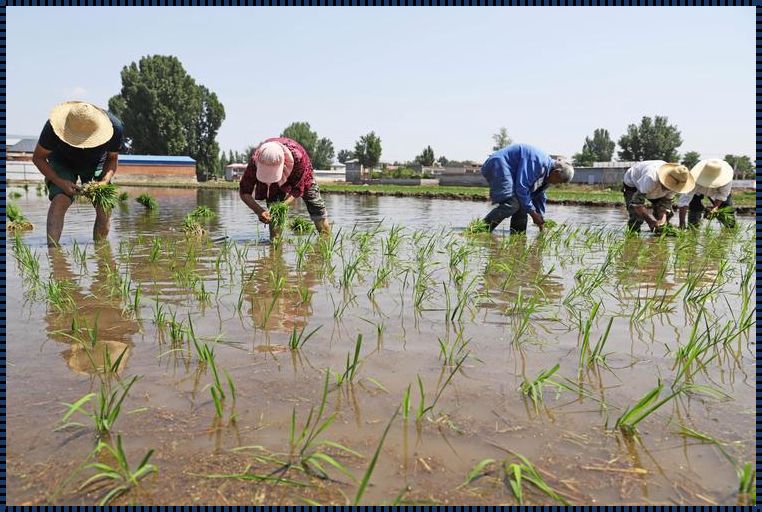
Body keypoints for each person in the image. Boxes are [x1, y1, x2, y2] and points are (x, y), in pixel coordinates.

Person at [32, 101, 124, 246]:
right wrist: (59, 181)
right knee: (60, 200)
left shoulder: (115, 128)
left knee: (104, 205)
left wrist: (104, 181)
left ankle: (100, 250)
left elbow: (112, 158)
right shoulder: (52, 127)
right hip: (62, 161)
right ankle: (53, 253)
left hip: (96, 163)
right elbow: (38, 157)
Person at [239, 137, 330, 240]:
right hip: (273, 183)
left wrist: (282, 206)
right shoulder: (255, 160)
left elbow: (297, 190)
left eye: (273, 175)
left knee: (315, 205)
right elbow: (244, 191)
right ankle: (275, 246)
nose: (271, 179)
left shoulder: (299, 158)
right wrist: (259, 211)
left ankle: (326, 239)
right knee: (274, 211)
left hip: (301, 175)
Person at [480, 143, 574, 232]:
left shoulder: (547, 174)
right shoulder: (539, 164)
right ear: (556, 172)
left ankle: (517, 238)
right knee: (513, 204)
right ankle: (480, 229)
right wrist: (533, 214)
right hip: (499, 164)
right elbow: (522, 188)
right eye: (559, 181)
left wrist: (540, 218)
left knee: (522, 205)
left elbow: (539, 195)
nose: (556, 184)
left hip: (509, 169)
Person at [621, 161, 694, 233]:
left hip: (653, 187)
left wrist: (662, 220)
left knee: (668, 215)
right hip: (633, 183)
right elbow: (636, 204)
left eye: (672, 187)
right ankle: (634, 236)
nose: (670, 189)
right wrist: (650, 221)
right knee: (636, 217)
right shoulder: (650, 179)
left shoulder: (678, 182)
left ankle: (657, 236)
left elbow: (665, 204)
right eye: (669, 186)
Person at [677, 159, 736, 229]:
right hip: (698, 192)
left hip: (717, 193)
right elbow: (684, 201)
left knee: (729, 220)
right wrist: (681, 223)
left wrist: (714, 208)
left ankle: (729, 229)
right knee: (694, 210)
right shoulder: (694, 179)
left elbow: (722, 195)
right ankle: (693, 228)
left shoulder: (726, 180)